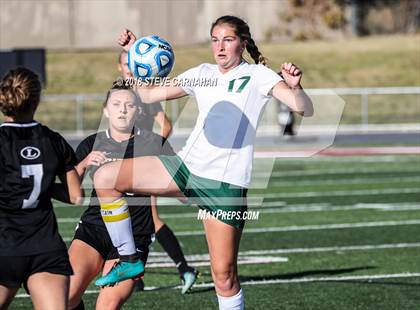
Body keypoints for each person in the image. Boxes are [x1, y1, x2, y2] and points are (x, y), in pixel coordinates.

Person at [94, 15, 313, 310]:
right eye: (214, 40)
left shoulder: (260, 75)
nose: (220, 47)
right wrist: (136, 53)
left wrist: (296, 87)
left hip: (225, 186)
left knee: (224, 277)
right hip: (186, 169)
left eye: (228, 40)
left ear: (243, 43)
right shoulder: (202, 73)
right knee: (106, 178)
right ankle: (130, 260)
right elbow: (146, 93)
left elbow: (303, 108)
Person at [0, 68, 83, 309]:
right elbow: (76, 196)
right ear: (36, 100)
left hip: (5, 244)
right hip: (45, 248)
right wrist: (45, 188)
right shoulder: (53, 139)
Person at [118, 50, 199, 292]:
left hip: (140, 165)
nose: (129, 70)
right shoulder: (119, 93)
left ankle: (182, 268)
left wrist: (149, 151)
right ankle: (142, 275)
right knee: (129, 217)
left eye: (132, 66)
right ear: (119, 68)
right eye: (125, 65)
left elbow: (165, 126)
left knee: (148, 218)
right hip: (124, 165)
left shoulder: (145, 95)